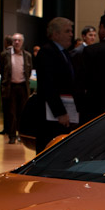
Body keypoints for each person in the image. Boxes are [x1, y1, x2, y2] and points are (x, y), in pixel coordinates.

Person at [34, 17, 79, 152]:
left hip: (65, 111)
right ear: (55, 34)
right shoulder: (46, 52)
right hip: (52, 115)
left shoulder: (64, 53)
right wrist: (60, 112)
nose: (71, 34)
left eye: (71, 31)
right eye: (67, 31)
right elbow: (48, 85)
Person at [1, 33, 32, 144]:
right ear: (12, 42)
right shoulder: (5, 55)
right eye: (15, 40)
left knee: (22, 112)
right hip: (11, 87)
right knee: (11, 112)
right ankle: (12, 135)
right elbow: (1, 69)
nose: (17, 42)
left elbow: (28, 71)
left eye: (19, 40)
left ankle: (21, 134)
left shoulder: (27, 55)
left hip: (23, 86)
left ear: (22, 42)